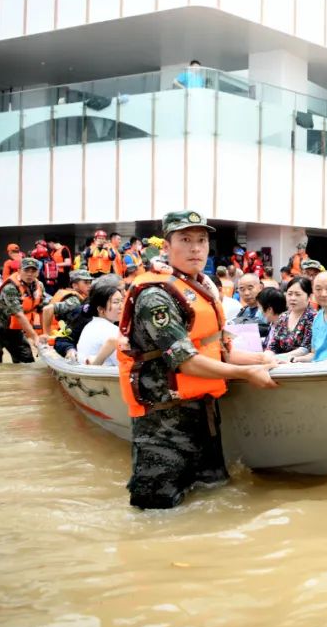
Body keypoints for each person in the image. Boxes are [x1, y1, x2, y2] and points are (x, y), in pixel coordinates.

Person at [117, 210, 277, 510]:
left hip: (203, 417)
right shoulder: (156, 295)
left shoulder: (199, 287)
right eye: (185, 240)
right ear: (166, 246)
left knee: (211, 496)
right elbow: (186, 362)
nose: (195, 248)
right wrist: (247, 373)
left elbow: (221, 350)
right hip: (163, 424)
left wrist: (264, 358)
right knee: (156, 511)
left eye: (201, 240)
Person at [0, 257, 44, 365]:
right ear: (19, 271)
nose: (30, 274)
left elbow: (41, 309)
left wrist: (43, 335)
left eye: (33, 271)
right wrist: (34, 337)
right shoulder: (10, 287)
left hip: (14, 329)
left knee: (27, 360)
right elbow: (19, 314)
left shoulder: (39, 286)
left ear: (38, 273)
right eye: (26, 270)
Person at [263, 277, 315, 356]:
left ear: (309, 297)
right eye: (289, 294)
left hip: (301, 364)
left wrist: (280, 357)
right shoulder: (283, 317)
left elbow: (306, 348)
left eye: (298, 294)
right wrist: (266, 356)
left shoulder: (313, 317)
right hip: (278, 363)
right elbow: (273, 346)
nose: (292, 298)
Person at [76, 283, 125, 366]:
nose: (122, 306)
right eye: (116, 302)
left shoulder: (90, 325)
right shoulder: (110, 330)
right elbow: (124, 364)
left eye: (122, 301)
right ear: (101, 309)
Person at [41, 269, 94, 337]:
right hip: (60, 334)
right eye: (86, 282)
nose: (89, 285)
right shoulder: (74, 300)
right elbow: (47, 309)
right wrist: (47, 335)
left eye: (90, 282)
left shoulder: (79, 296)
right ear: (75, 285)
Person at [231, 273, 269, 344]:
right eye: (242, 289)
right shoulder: (243, 311)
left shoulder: (269, 310)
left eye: (250, 288)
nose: (246, 293)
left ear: (260, 287)